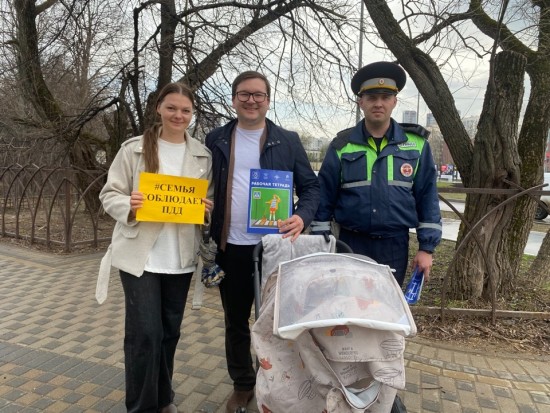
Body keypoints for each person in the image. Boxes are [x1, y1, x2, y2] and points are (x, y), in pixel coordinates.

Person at [205, 71, 320, 413]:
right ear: (233, 98)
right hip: (232, 248)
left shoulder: (287, 140)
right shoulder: (216, 139)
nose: (251, 100)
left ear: (268, 100)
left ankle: (278, 382)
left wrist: (302, 216)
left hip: (275, 249)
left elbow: (312, 188)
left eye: (258, 95)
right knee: (236, 320)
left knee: (276, 321)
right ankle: (243, 385)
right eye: (244, 94)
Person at [98, 82, 213, 413]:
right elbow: (109, 194)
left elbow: (210, 204)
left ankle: (164, 398)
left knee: (168, 334)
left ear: (192, 115)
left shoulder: (202, 155)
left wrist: (207, 209)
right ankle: (141, 407)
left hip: (180, 259)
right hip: (141, 257)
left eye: (186, 110)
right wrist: (129, 205)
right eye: (172, 108)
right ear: (159, 108)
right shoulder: (133, 149)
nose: (179, 115)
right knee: (144, 336)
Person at [312, 61, 442, 287]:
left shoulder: (416, 145)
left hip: (394, 245)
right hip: (351, 243)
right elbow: (324, 198)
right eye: (372, 98)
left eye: (385, 97)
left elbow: (427, 197)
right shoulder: (342, 146)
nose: (378, 104)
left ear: (394, 101)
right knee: (349, 310)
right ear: (361, 102)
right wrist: (321, 245)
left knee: (386, 313)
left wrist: (426, 248)